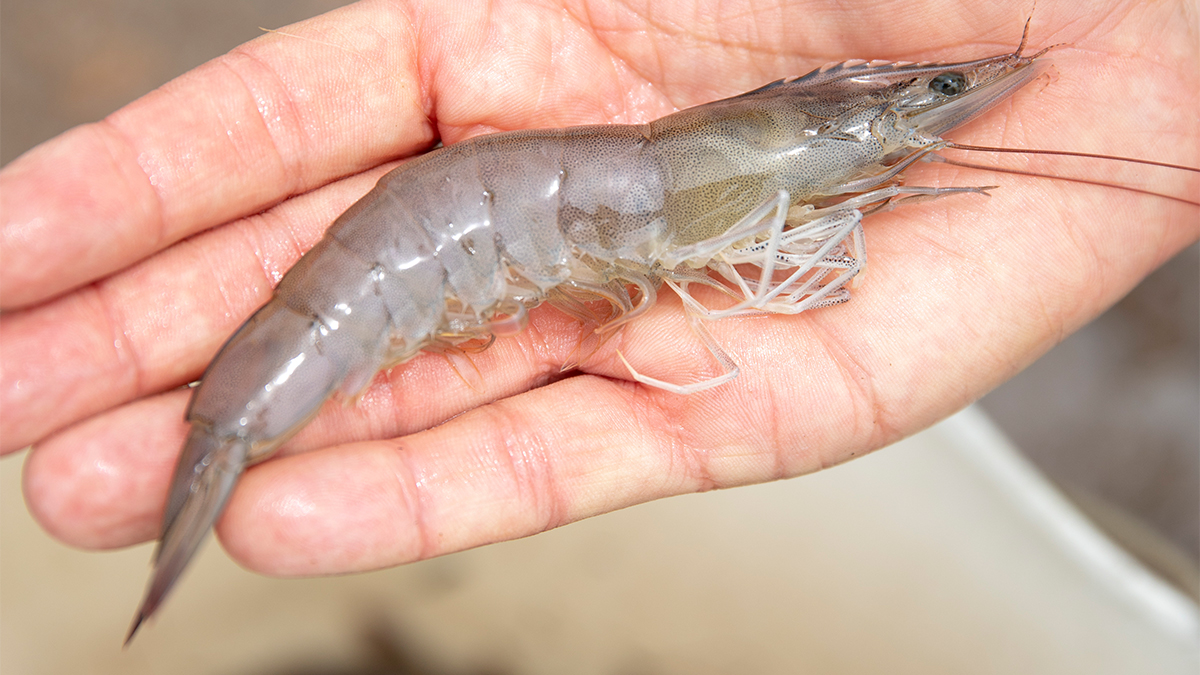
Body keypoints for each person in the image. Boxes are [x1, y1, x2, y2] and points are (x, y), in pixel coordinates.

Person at [1, 0, 1195, 583]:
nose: (913, 126)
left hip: (524, 211)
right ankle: (240, 422)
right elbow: (775, 238)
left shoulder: (783, 140)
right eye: (908, 106)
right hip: (454, 234)